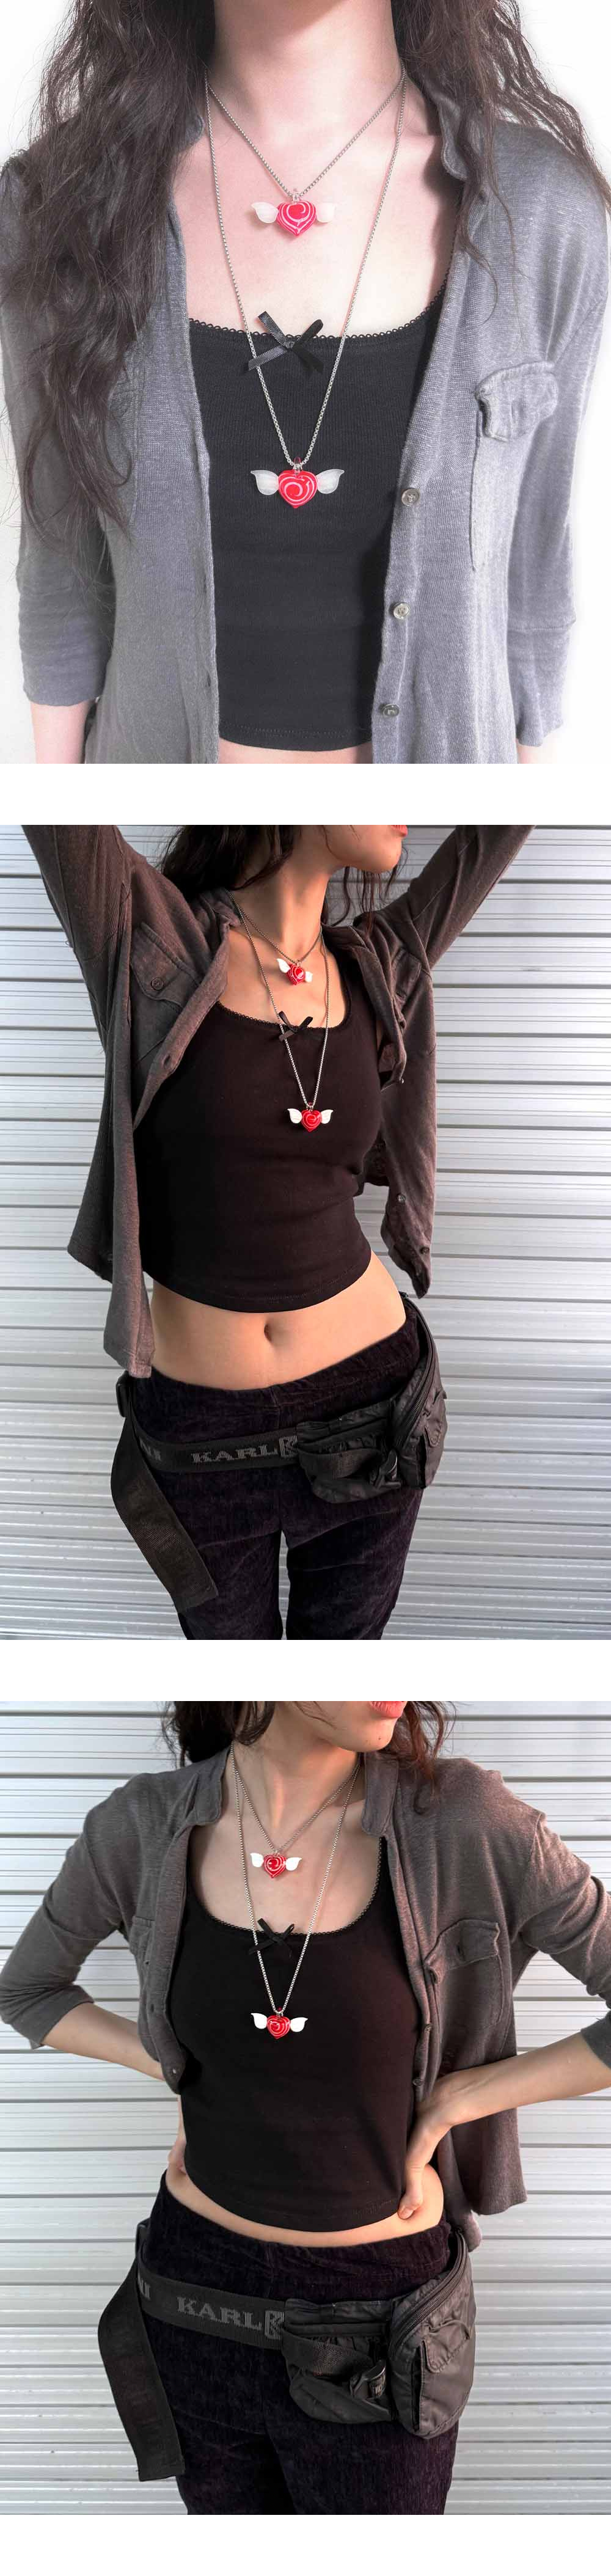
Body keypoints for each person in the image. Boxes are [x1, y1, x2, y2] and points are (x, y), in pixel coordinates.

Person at [2, 1696, 611, 2515]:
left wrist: (462, 2097)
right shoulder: (142, 1822)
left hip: (376, 2327)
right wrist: (168, 2060)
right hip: (191, 2298)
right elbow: (29, 1990)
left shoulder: (463, 1819)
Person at [1, 2, 609, 766]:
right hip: (151, 817)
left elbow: (535, 568)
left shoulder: (546, 213)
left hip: (439, 815)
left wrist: (515, 815)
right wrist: (65, 814)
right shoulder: (56, 206)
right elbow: (61, 566)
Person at [23, 821, 529, 1636]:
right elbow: (54, 808)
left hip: (374, 1415)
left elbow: (503, 818)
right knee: (236, 1696)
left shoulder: (382, 962)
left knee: (334, 1681)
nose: (404, 802)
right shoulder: (150, 935)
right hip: (200, 1440)